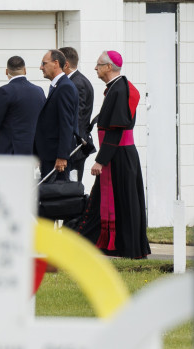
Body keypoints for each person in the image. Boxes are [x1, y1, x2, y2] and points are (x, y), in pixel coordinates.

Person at [75, 51, 150, 259]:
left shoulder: (119, 90)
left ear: (109, 67)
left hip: (119, 156)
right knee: (108, 201)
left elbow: (116, 129)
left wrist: (100, 160)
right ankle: (104, 245)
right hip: (117, 154)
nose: (95, 69)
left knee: (121, 202)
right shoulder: (117, 88)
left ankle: (123, 247)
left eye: (98, 65)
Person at [33, 49, 79, 182]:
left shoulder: (65, 87)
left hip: (57, 159)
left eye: (44, 63)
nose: (41, 67)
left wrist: (62, 156)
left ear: (56, 63)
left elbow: (67, 123)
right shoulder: (58, 86)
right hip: (49, 156)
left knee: (57, 198)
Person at [0, 55, 45, 155]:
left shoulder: (4, 91)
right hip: (31, 151)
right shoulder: (39, 91)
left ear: (6, 71)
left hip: (9, 151)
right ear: (25, 70)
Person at [61, 46, 95, 180]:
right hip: (73, 146)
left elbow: (76, 117)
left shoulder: (76, 83)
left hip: (74, 147)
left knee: (71, 189)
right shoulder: (75, 81)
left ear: (66, 64)